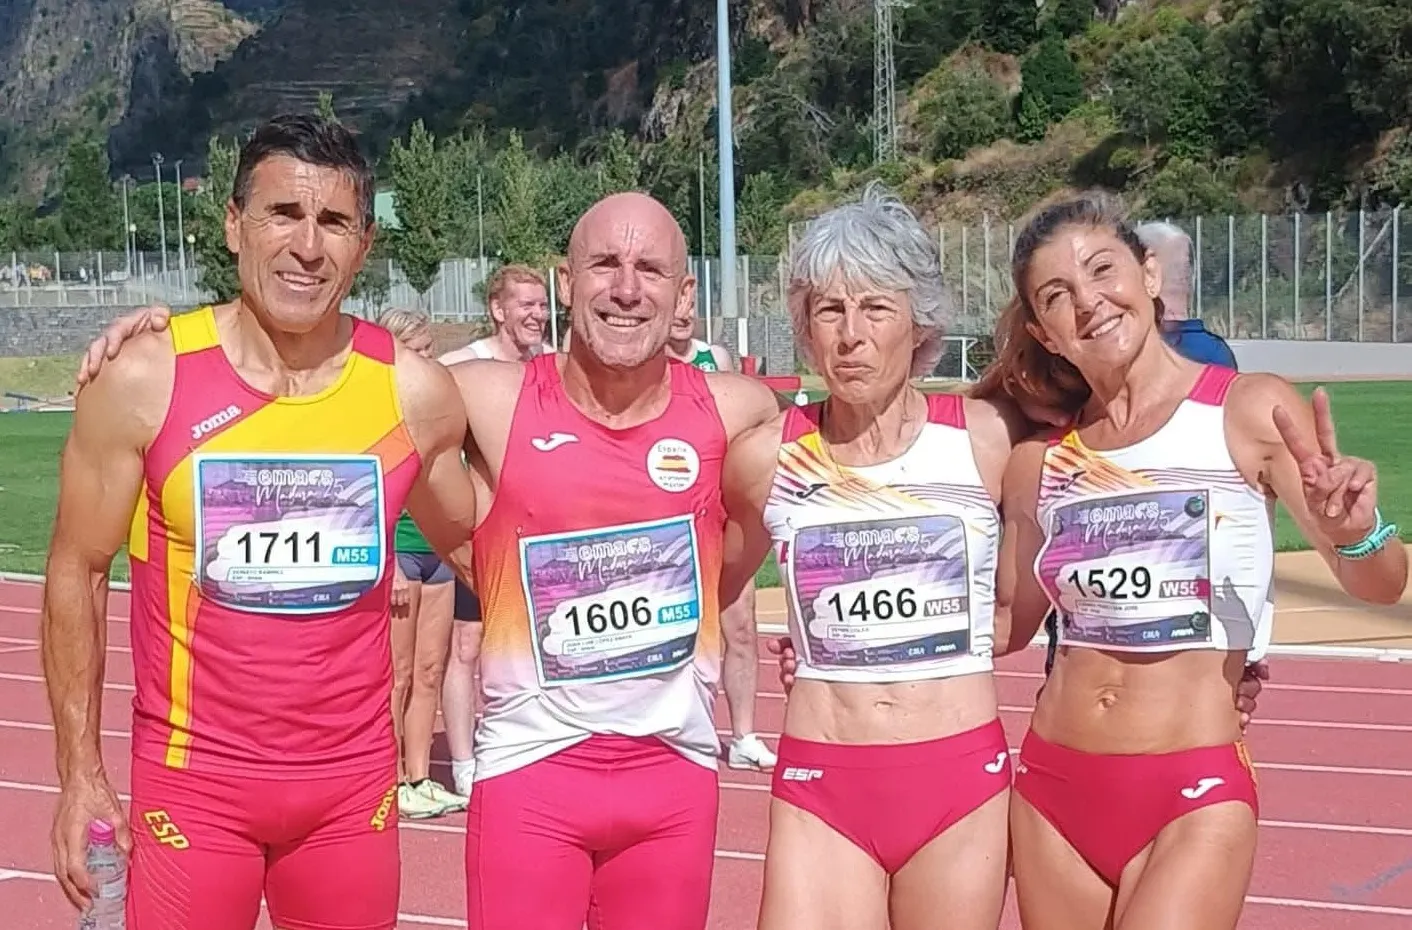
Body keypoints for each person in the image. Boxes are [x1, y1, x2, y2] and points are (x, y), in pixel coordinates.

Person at [79, 191, 786, 930]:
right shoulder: (484, 395)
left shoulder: (740, 411)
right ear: (567, 282)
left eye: (651, 269)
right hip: (531, 773)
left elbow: (837, 460)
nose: (627, 288)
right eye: (605, 263)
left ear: (684, 293)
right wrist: (162, 342)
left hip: (673, 778)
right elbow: (328, 373)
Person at [42, 114, 479, 930]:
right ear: (234, 224)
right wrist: (80, 776)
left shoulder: (411, 393)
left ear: (364, 245)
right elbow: (77, 569)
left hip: (349, 793)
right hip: (194, 788)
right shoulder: (145, 378)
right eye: (283, 213)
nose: (307, 246)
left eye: (334, 222)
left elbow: (482, 550)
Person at [993, 192, 1406, 930]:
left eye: (1103, 270)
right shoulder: (1039, 464)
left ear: (1149, 274)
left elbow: (1380, 585)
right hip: (1055, 784)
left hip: (1190, 787)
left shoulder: (1248, 411)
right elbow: (1003, 626)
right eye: (1057, 295)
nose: (1088, 301)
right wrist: (826, 644)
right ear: (1043, 333)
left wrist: (1356, 530)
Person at [720, 183, 1025, 930]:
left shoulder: (988, 439)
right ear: (805, 328)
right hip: (824, 780)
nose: (851, 335)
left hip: (958, 780)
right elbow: (707, 584)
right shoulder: (765, 458)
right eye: (830, 310)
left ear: (919, 323)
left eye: (876, 308)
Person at [668, 304, 777, 772]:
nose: (684, 316)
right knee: (682, 632)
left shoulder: (714, 358)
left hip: (721, 512)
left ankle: (745, 735)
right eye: (676, 307)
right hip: (674, 519)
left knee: (741, 626)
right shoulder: (647, 367)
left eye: (691, 307)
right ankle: (686, 728)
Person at [377, 307, 469, 818]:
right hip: (401, 551)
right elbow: (373, 494)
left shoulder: (439, 409)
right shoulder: (379, 413)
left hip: (439, 553)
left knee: (431, 670)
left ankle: (418, 777)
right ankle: (387, 779)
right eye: (416, 351)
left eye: (430, 350)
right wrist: (389, 560)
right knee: (398, 674)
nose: (427, 359)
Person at [1136, 220, 1238, 369]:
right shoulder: (1211, 351)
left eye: (1186, 265)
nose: (1187, 273)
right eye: (1181, 266)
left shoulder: (1121, 347)